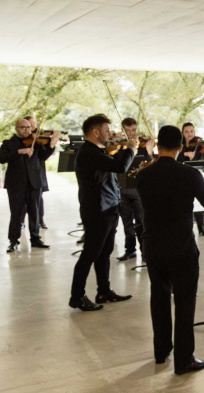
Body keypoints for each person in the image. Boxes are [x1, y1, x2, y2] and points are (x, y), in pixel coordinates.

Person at [136, 125, 204, 375]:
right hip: (181, 246)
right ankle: (184, 360)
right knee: (184, 302)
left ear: (157, 146)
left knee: (158, 298)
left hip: (153, 245)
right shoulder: (189, 174)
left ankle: (161, 352)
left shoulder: (143, 175)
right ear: (181, 147)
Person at [69, 114, 147, 311]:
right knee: (90, 254)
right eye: (106, 131)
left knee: (104, 253)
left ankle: (104, 291)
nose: (109, 135)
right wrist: (130, 148)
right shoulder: (89, 152)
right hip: (97, 211)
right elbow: (119, 166)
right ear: (95, 132)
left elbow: (110, 163)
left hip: (108, 208)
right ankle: (77, 296)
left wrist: (118, 151)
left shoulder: (97, 151)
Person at [0, 118, 54, 253]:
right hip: (16, 184)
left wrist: (51, 145)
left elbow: (43, 156)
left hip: (34, 182)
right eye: (23, 128)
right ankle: (13, 241)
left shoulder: (35, 141)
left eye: (29, 127)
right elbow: (2, 158)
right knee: (16, 213)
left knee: (34, 212)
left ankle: (35, 239)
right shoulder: (8, 143)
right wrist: (19, 151)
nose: (27, 130)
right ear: (16, 128)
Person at [117, 117, 149, 261]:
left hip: (138, 190)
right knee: (127, 223)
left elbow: (149, 163)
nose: (131, 133)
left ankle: (145, 252)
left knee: (140, 223)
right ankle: (130, 250)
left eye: (133, 130)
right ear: (122, 129)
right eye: (128, 130)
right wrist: (124, 148)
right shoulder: (119, 146)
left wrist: (148, 150)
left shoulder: (142, 146)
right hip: (122, 189)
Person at [20, 116, 58, 230]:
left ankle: (40, 220)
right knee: (24, 199)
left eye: (34, 123)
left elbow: (44, 155)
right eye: (30, 124)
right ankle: (21, 221)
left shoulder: (39, 138)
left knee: (39, 198)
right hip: (25, 172)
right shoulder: (23, 139)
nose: (33, 126)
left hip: (38, 170)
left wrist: (51, 143)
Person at [177, 122, 204, 237]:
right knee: (185, 204)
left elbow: (202, 160)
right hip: (183, 178)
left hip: (196, 177)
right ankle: (186, 228)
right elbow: (177, 159)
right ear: (183, 133)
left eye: (191, 131)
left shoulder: (199, 146)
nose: (189, 134)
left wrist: (195, 155)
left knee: (199, 203)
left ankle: (201, 227)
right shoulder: (180, 146)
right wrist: (185, 153)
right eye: (186, 132)